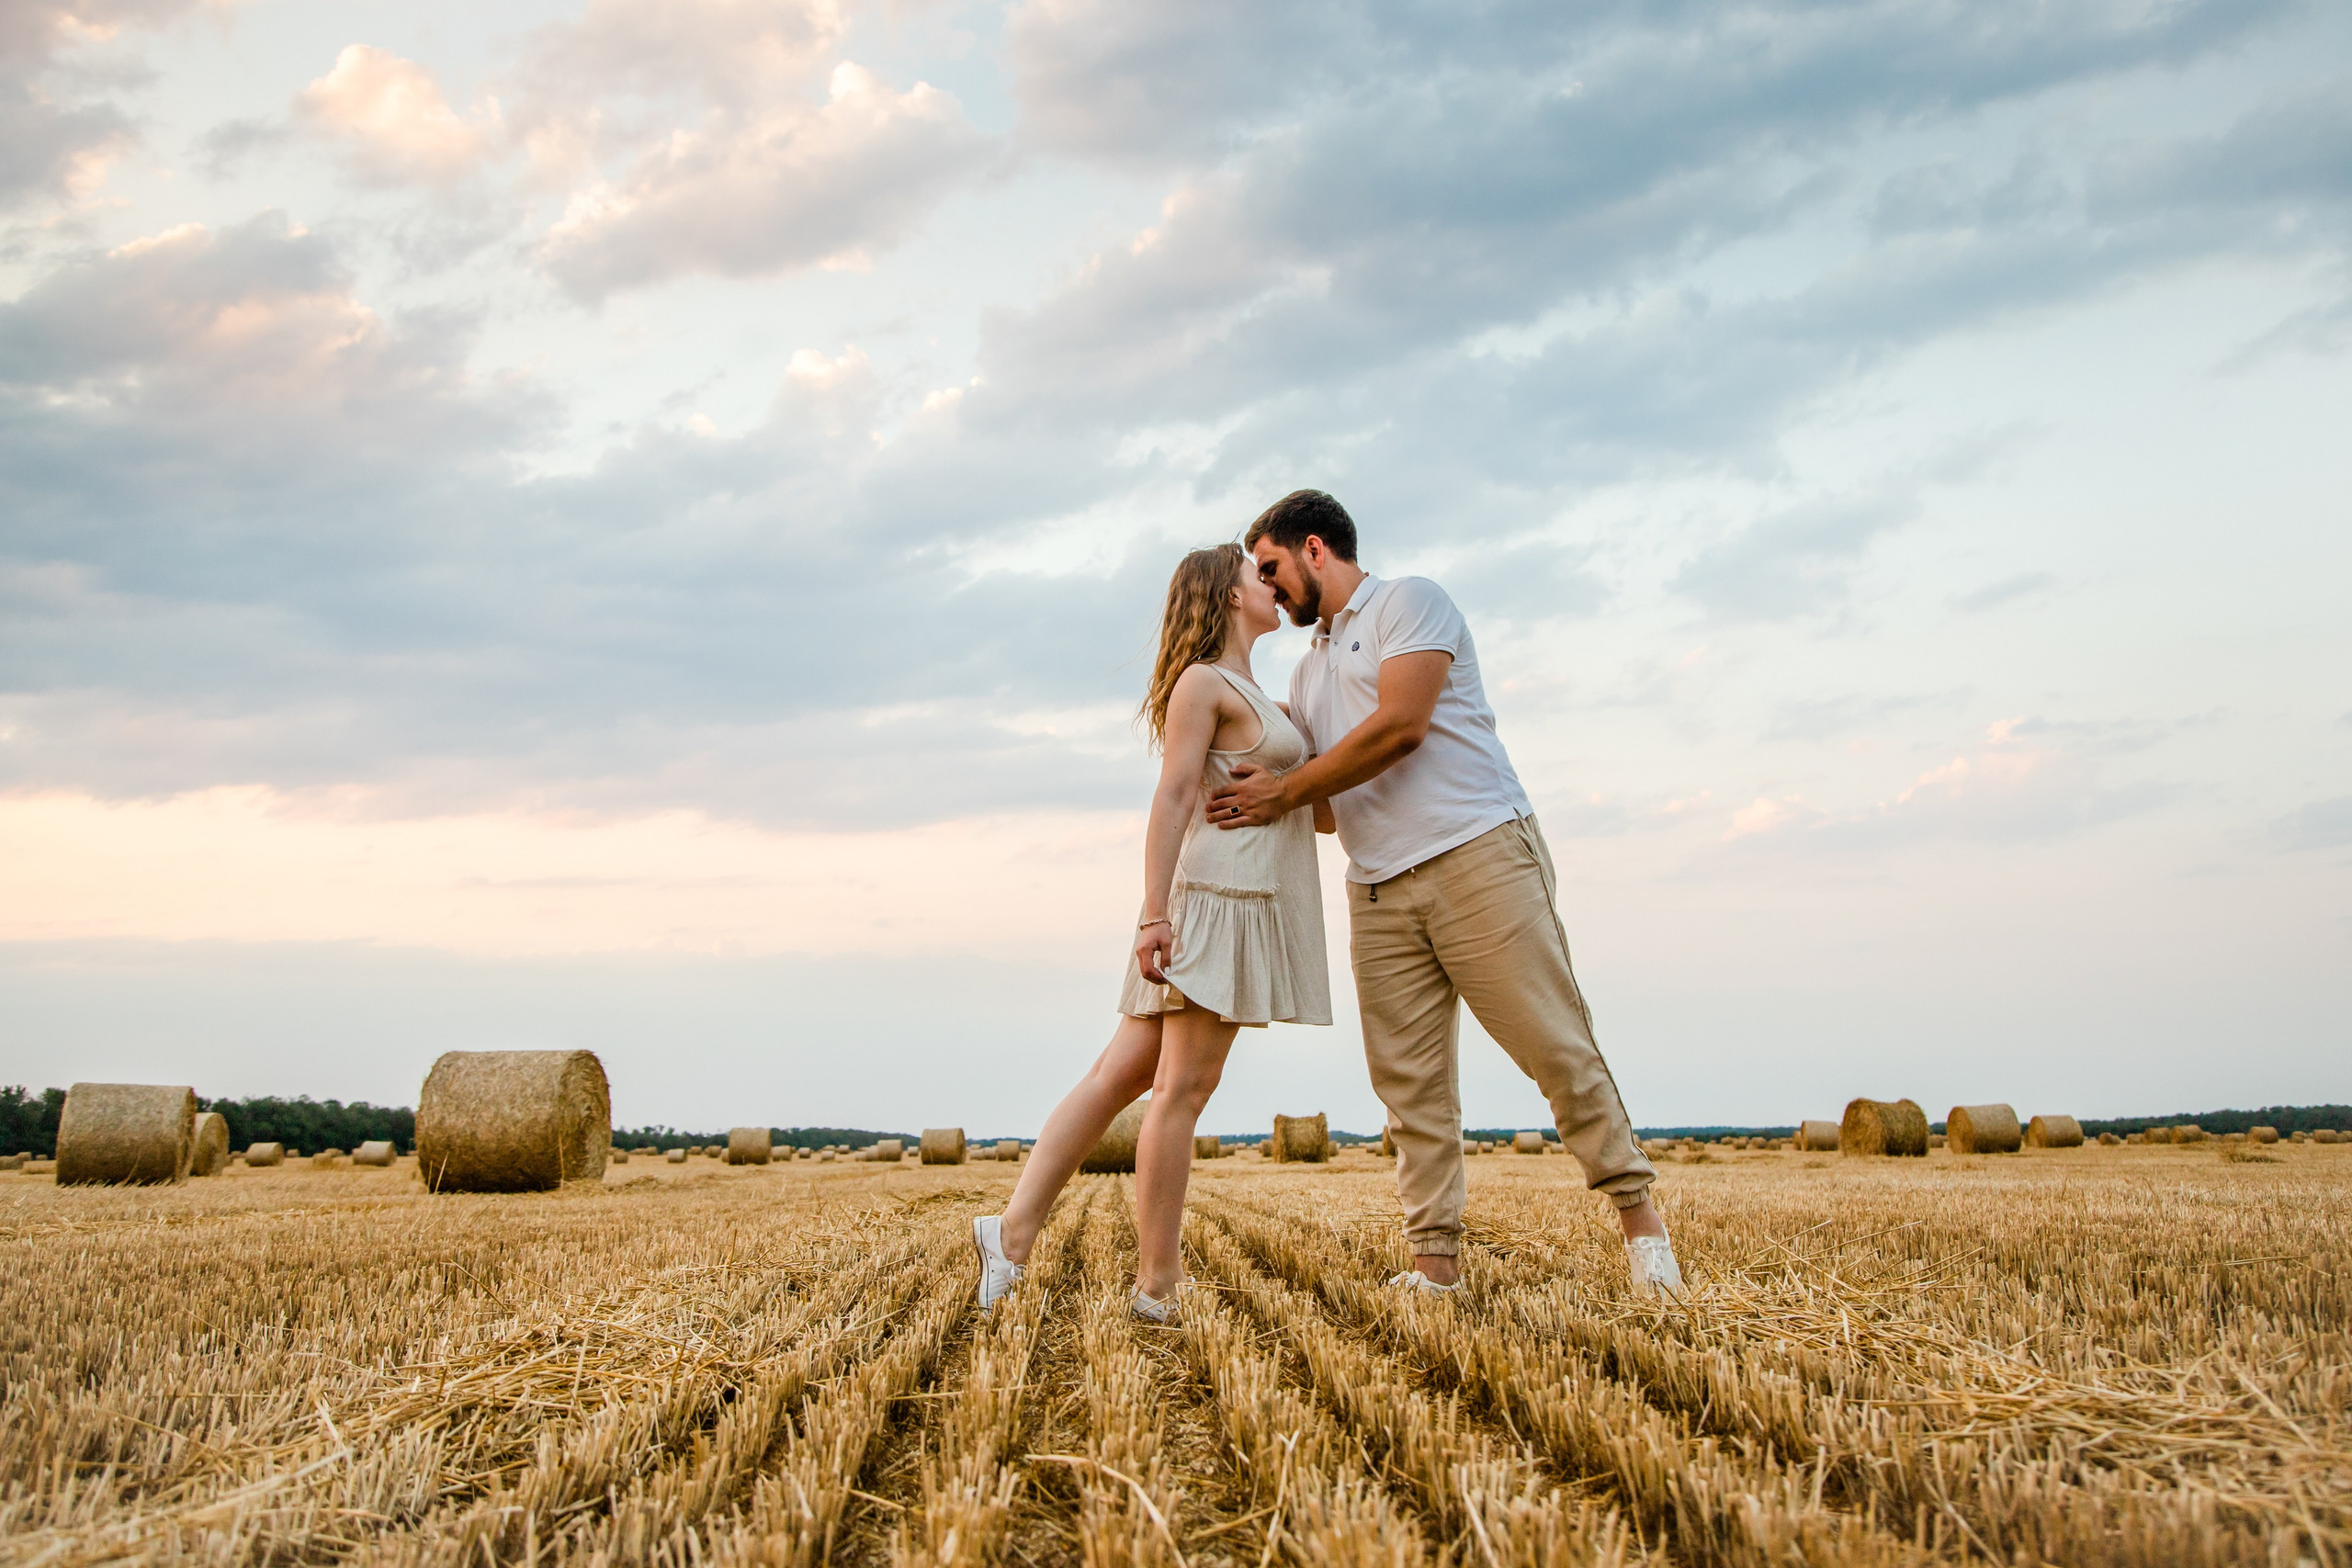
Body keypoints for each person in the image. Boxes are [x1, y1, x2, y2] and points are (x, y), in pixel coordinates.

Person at [1208, 490, 1683, 1299]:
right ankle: (1436, 1269)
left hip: (1477, 855)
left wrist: (1282, 790)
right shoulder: (1310, 670)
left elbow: (1401, 726)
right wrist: (1243, 776)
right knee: (1410, 1087)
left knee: (1555, 1046)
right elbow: (1330, 805)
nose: (1269, 585)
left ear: (1315, 547)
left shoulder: (1410, 602)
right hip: (1377, 890)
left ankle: (1645, 1233)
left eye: (1272, 565)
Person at [973, 543, 1330, 1320]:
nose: (1271, 586)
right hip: (1215, 902)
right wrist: (1154, 913)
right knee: (1181, 1090)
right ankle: (1158, 1285)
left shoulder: (1253, 690)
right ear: (1229, 595)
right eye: (1257, 575)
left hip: (1237, 897)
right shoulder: (1203, 682)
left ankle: (1010, 1231)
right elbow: (1171, 797)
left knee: (1119, 1076)